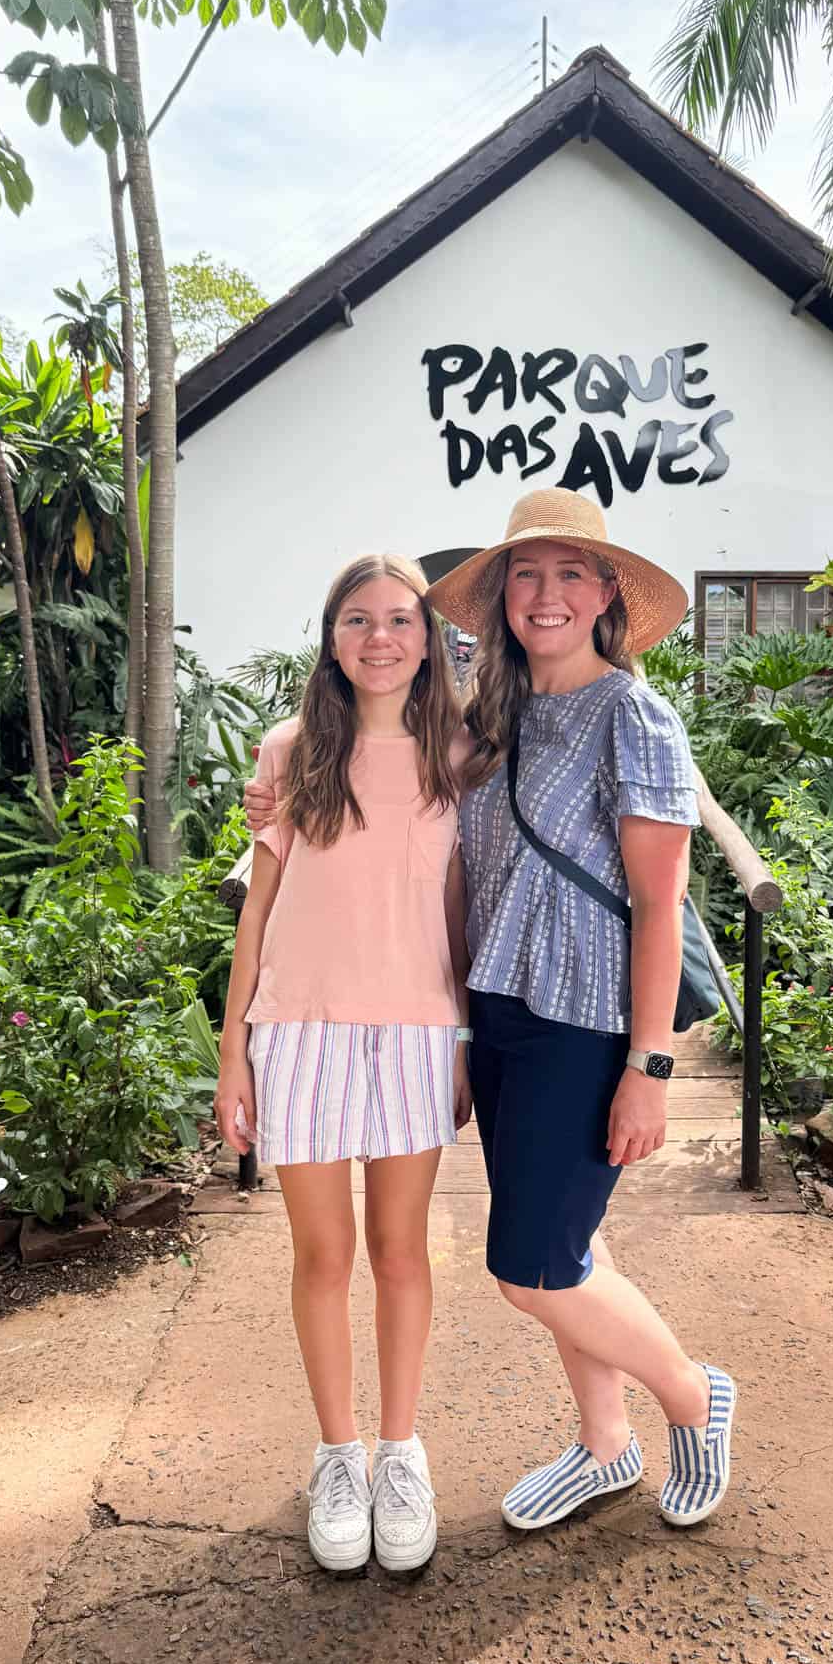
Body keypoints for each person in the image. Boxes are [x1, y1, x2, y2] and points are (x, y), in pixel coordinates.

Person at [426, 487, 736, 1531]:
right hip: (503, 1013)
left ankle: (695, 1396)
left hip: (588, 1022)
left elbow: (660, 900)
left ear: (607, 594)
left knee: (531, 1270)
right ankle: (605, 1446)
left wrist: (651, 1067)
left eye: (569, 573)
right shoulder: (490, 714)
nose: (545, 594)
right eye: (526, 573)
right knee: (569, 1247)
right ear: (502, 594)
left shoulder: (633, 714)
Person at [216, 553, 472, 1575]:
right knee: (322, 1259)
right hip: (301, 1030)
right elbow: (260, 913)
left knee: (403, 1254)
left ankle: (401, 1452)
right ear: (332, 637)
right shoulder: (290, 751)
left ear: (430, 639)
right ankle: (339, 1455)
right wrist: (234, 1050)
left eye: (400, 620)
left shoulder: (461, 752)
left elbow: (458, 906)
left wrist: (462, 1037)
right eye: (357, 620)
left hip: (415, 1032)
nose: (380, 638)